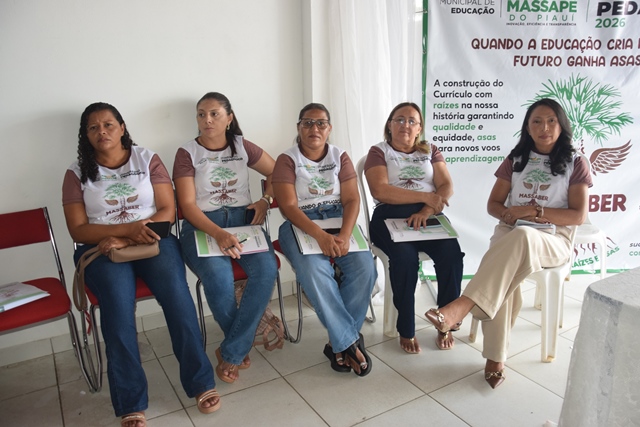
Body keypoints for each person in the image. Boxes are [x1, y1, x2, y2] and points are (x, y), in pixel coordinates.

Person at [62, 102, 220, 427]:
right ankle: (131, 401)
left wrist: (131, 235)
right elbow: (78, 229)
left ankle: (200, 381)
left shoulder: (147, 159)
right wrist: (123, 233)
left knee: (177, 297)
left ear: (122, 127)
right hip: (102, 248)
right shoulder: (76, 173)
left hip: (154, 240)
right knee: (118, 308)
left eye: (108, 124)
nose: (102, 131)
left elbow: (167, 210)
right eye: (93, 127)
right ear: (85, 135)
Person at [423, 98, 591, 388]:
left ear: (562, 125)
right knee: (506, 269)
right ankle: (495, 357)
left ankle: (463, 307)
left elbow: (578, 215)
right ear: (528, 127)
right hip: (512, 230)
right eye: (537, 121)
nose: (544, 127)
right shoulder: (516, 159)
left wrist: (532, 212)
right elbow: (494, 204)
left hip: (554, 237)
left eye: (551, 121)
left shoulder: (576, 162)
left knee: (518, 243)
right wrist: (509, 215)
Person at [174, 92, 278, 384]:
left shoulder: (242, 146)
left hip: (243, 222)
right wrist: (218, 233)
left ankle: (231, 350)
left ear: (229, 118)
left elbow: (278, 173)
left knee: (266, 270)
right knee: (219, 279)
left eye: (214, 114)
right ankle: (238, 347)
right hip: (202, 226)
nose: (207, 120)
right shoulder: (187, 153)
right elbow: (188, 206)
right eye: (201, 114)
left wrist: (266, 200)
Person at [272, 103, 377, 376]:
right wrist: (319, 236)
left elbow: (352, 199)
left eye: (321, 123)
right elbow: (288, 207)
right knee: (314, 270)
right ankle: (349, 342)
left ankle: (338, 343)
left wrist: (345, 235)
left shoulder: (340, 156)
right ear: (299, 127)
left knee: (365, 267)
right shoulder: (287, 159)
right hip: (300, 223)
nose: (314, 128)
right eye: (307, 122)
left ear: (329, 129)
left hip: (339, 220)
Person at [364, 102, 464, 353]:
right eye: (399, 119)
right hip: (389, 215)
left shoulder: (431, 150)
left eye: (412, 121)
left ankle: (445, 320)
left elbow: (446, 186)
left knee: (451, 255)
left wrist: (427, 209)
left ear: (419, 128)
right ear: (389, 125)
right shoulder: (379, 151)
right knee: (405, 260)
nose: (405, 125)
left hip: (427, 214)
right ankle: (406, 328)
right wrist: (425, 196)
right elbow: (380, 190)